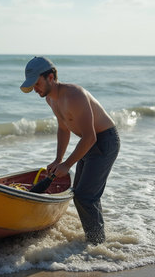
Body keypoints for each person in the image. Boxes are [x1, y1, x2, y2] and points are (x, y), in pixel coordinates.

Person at [20, 56, 120, 244]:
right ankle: (97, 239)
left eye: (37, 83)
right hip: (88, 142)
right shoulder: (50, 99)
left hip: (104, 141)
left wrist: (67, 165)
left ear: (51, 77)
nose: (35, 89)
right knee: (81, 193)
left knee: (85, 196)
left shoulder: (74, 95)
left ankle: (97, 245)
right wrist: (59, 159)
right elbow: (63, 128)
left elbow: (91, 137)